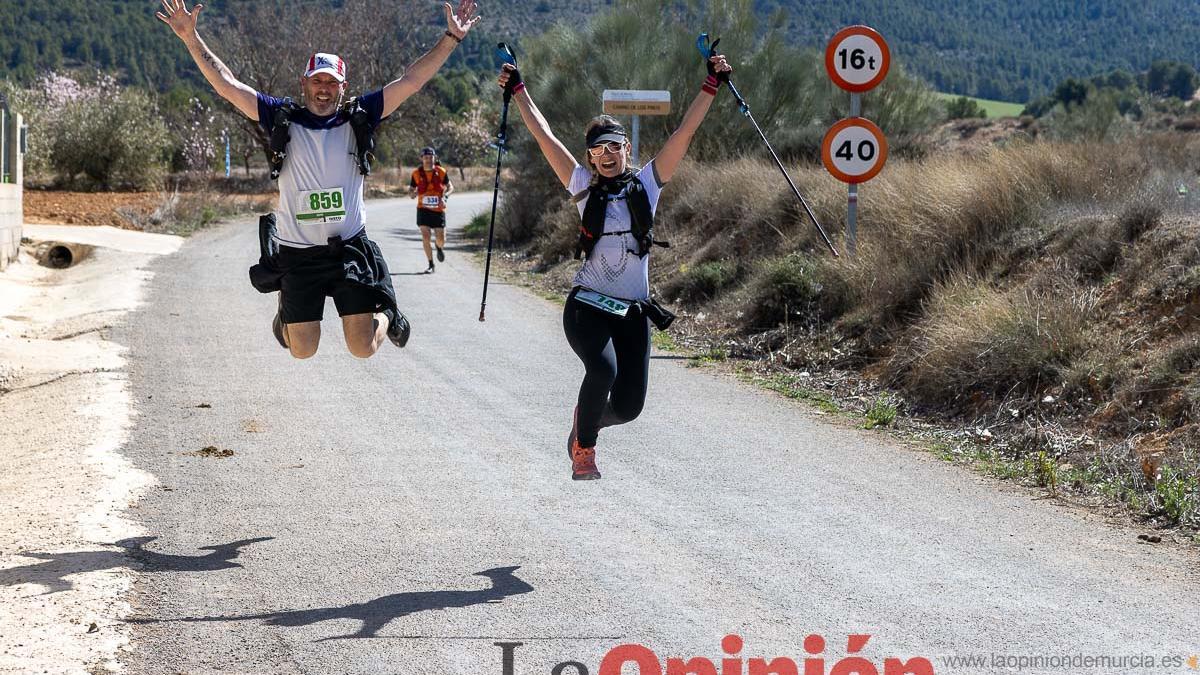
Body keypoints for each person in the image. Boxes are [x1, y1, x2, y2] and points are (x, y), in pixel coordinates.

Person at [156, 0, 480, 359]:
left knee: (363, 348)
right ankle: (287, 315)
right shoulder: (281, 117)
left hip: (348, 250)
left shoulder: (361, 117)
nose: (323, 88)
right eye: (317, 80)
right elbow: (227, 86)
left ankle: (389, 314)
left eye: (331, 81)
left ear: (343, 86)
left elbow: (412, 80)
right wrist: (190, 37)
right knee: (302, 350)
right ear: (304, 83)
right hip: (299, 254)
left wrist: (451, 37)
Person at [497, 53, 732, 480]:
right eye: (597, 150)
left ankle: (585, 420)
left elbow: (685, 132)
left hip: (633, 311)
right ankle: (584, 449)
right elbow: (543, 133)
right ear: (589, 159)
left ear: (627, 150)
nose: (606, 156)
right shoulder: (583, 188)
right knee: (602, 369)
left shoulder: (647, 185)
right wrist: (518, 91)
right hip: (587, 306)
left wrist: (710, 85)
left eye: (613, 147)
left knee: (628, 407)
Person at [409, 146, 454, 272]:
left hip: (438, 209)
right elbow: (411, 191)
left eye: (430, 157)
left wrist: (445, 197)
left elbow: (451, 187)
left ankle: (439, 248)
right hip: (423, 209)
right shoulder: (416, 174)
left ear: (435, 158)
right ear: (421, 159)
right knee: (425, 236)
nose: (428, 160)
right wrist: (414, 193)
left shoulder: (441, 172)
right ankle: (431, 264)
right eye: (426, 157)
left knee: (441, 239)